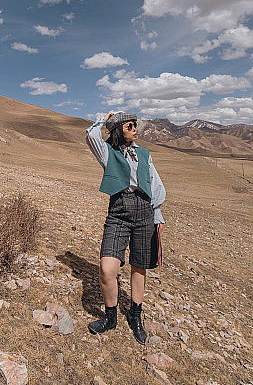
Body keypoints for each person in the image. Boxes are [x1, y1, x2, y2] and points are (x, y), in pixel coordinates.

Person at [85, 111, 166, 344]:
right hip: (119, 210)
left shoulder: (144, 153)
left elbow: (154, 182)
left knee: (139, 267)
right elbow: (91, 136)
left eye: (135, 125)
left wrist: (157, 213)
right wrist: (104, 119)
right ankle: (110, 317)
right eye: (130, 125)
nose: (135, 128)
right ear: (119, 129)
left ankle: (135, 314)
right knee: (107, 268)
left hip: (145, 211)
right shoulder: (108, 152)